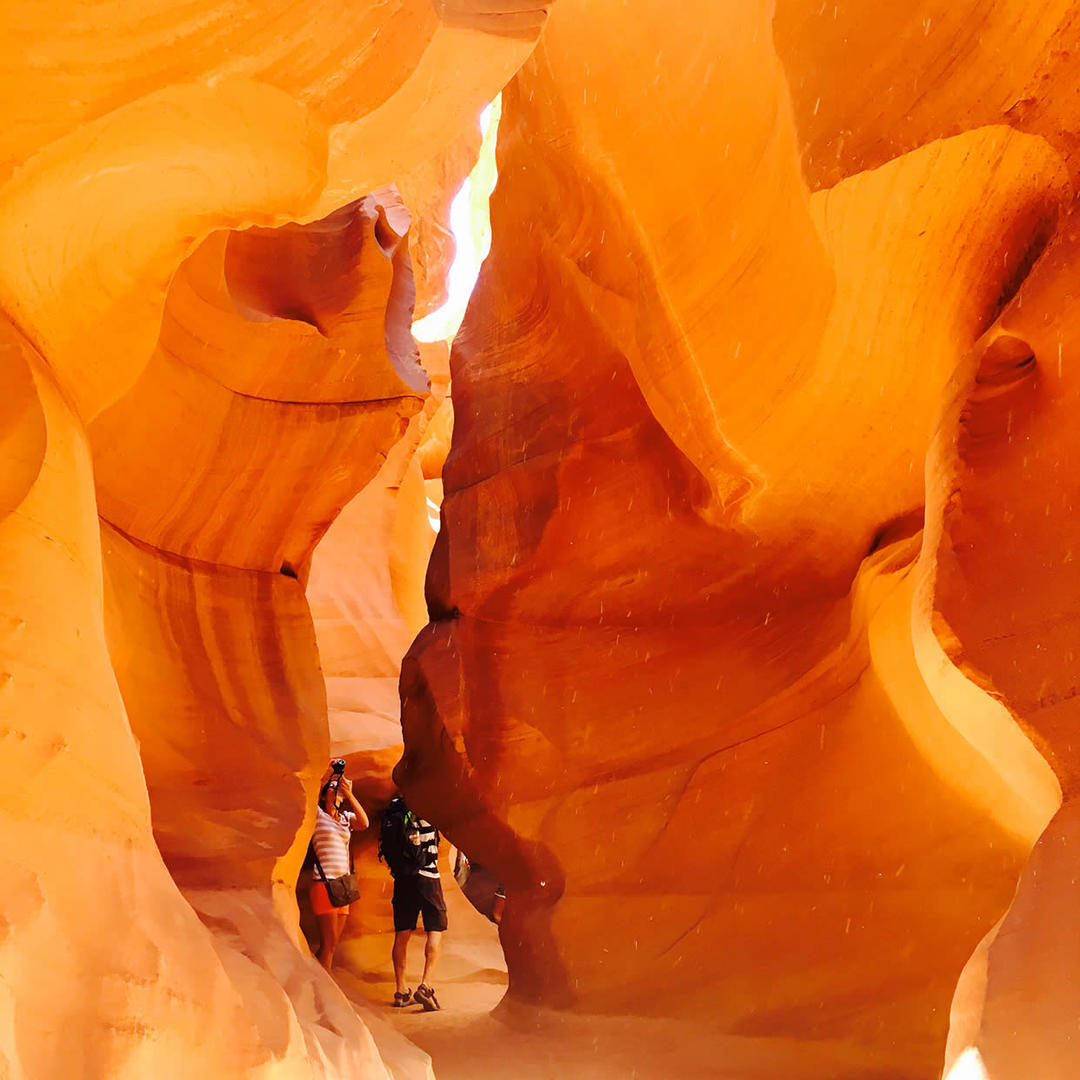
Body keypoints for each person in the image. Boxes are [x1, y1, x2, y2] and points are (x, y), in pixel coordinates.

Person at [381, 794, 447, 1011]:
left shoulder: (396, 809)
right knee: (435, 930)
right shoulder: (431, 808)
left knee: (402, 932)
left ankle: (400, 990)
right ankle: (425, 986)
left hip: (403, 878)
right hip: (428, 877)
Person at [310, 767, 368, 971]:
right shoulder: (316, 816)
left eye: (337, 791)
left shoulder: (345, 819)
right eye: (332, 789)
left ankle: (315, 982)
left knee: (331, 946)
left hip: (342, 886)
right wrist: (328, 773)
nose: (335, 792)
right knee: (329, 943)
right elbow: (307, 794)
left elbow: (364, 823)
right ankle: (324, 994)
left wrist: (349, 794)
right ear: (324, 794)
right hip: (324, 885)